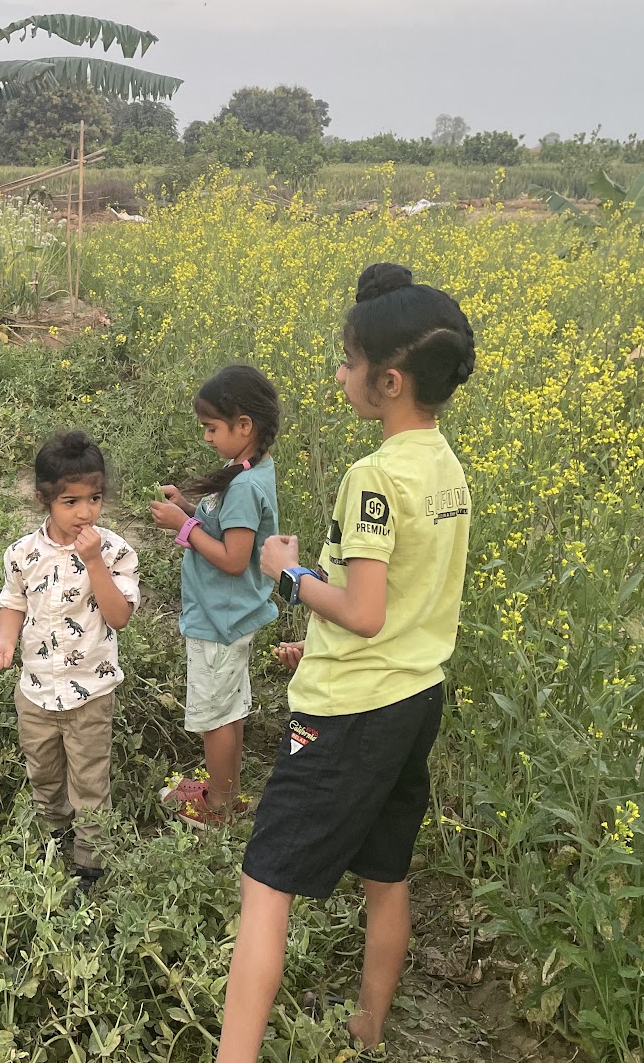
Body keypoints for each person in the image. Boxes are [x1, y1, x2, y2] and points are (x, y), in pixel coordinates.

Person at [217, 262, 476, 1058]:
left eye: (346, 359)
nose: (338, 372)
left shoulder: (375, 477)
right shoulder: (445, 467)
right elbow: (404, 602)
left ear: (388, 380)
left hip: (349, 711)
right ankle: (367, 1025)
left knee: (265, 882)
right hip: (414, 700)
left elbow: (362, 612)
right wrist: (317, 635)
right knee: (385, 871)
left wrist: (289, 577)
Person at [0, 431, 140, 892]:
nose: (85, 512)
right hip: (35, 688)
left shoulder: (114, 552)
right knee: (43, 769)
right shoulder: (22, 553)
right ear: (44, 500)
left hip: (91, 689)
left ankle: (91, 861)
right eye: (70, 501)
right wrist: (5, 641)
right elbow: (13, 601)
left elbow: (119, 616)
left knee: (89, 778)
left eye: (94, 498)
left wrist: (94, 565)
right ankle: (54, 834)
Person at [148, 364, 281, 828]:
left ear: (245, 426)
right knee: (229, 708)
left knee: (215, 717)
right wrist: (187, 507)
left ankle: (218, 808)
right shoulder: (246, 468)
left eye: (212, 428)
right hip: (229, 615)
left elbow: (232, 557)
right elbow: (225, 528)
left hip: (220, 620)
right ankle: (225, 791)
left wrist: (182, 527)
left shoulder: (244, 484)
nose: (206, 437)